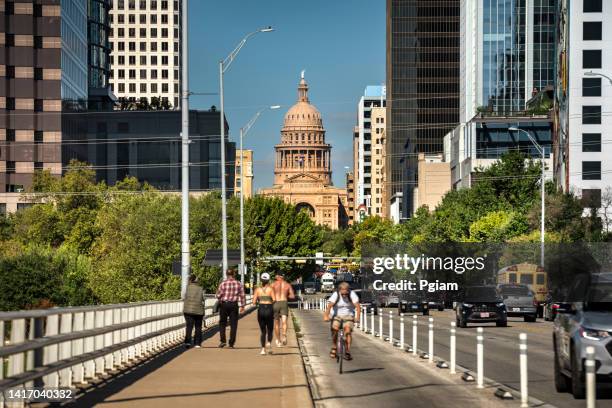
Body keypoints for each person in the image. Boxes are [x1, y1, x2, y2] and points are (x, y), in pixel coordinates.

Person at [323, 281, 361, 361]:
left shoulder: (352, 294)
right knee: (335, 329)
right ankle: (334, 346)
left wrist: (357, 318)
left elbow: (357, 307)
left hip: (348, 315)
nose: (344, 295)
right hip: (337, 315)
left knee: (347, 331)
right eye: (342, 293)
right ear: (340, 291)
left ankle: (347, 351)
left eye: (346, 293)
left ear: (348, 290)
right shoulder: (336, 294)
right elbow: (329, 306)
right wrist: (326, 316)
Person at [216, 269, 246, 348]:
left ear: (226, 274)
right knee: (233, 324)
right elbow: (242, 295)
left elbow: (218, 295)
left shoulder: (223, 283)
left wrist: (220, 297)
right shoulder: (238, 283)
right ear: (234, 274)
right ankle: (231, 343)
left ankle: (223, 341)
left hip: (224, 305)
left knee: (222, 323)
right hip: (234, 305)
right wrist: (243, 306)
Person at [252, 272, 276, 355]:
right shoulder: (271, 289)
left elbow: (254, 302)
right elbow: (274, 299)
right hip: (269, 309)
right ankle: (269, 342)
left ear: (261, 280)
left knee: (263, 331)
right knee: (270, 329)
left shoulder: (257, 290)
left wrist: (259, 300)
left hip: (261, 309)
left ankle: (263, 349)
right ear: (268, 280)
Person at [272, 272, 295, 346]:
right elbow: (292, 296)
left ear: (278, 276)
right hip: (284, 303)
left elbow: (269, 294)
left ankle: (278, 341)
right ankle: (284, 335)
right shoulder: (287, 285)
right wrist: (286, 295)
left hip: (275, 303)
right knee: (284, 321)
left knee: (276, 323)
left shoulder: (273, 284)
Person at [183, 274, 205, 348]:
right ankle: (197, 343)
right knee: (198, 327)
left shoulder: (187, 288)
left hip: (188, 310)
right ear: (196, 280)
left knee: (189, 326)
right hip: (198, 310)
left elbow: (184, 297)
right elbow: (203, 298)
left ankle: (188, 342)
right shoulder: (200, 288)